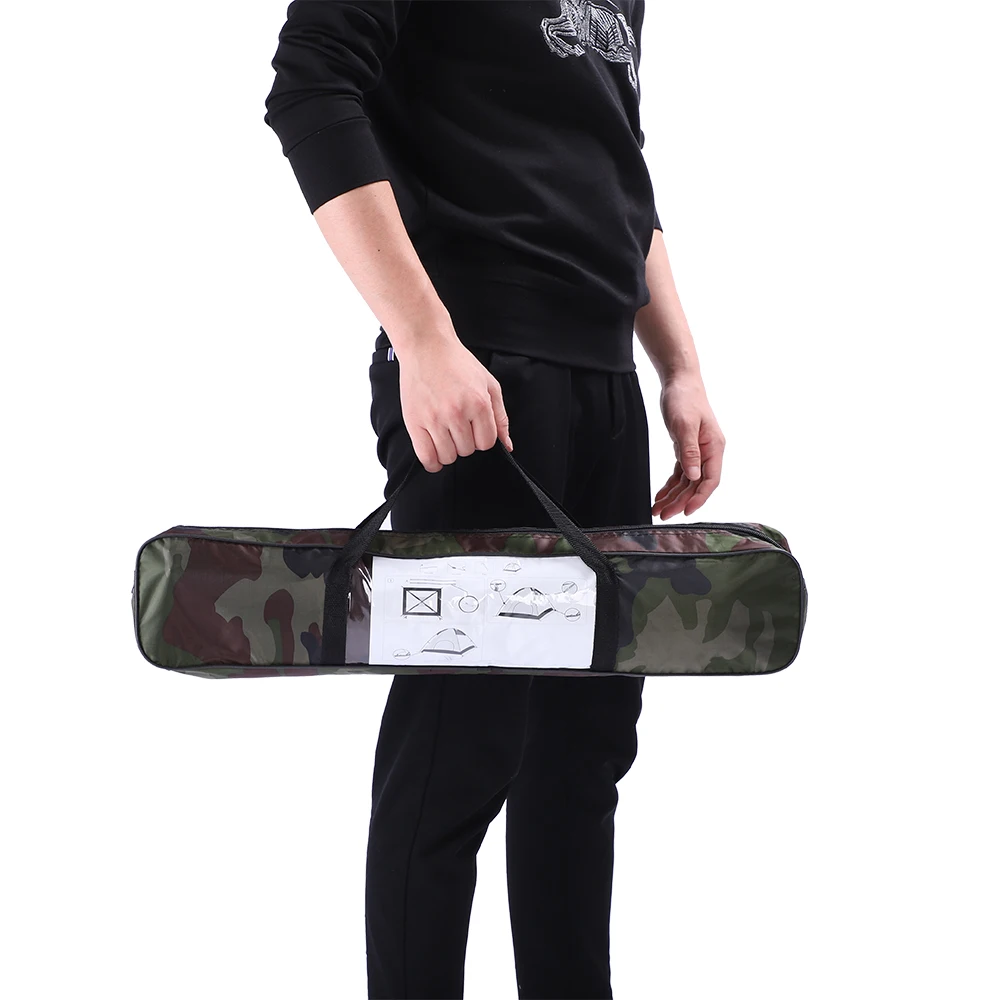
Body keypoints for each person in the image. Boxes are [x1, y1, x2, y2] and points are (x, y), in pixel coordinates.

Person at [264, 2, 725, 996]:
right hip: (479, 376)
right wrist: (425, 340)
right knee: (459, 744)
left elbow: (616, 163)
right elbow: (309, 87)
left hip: (605, 383)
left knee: (583, 754)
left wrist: (678, 365)